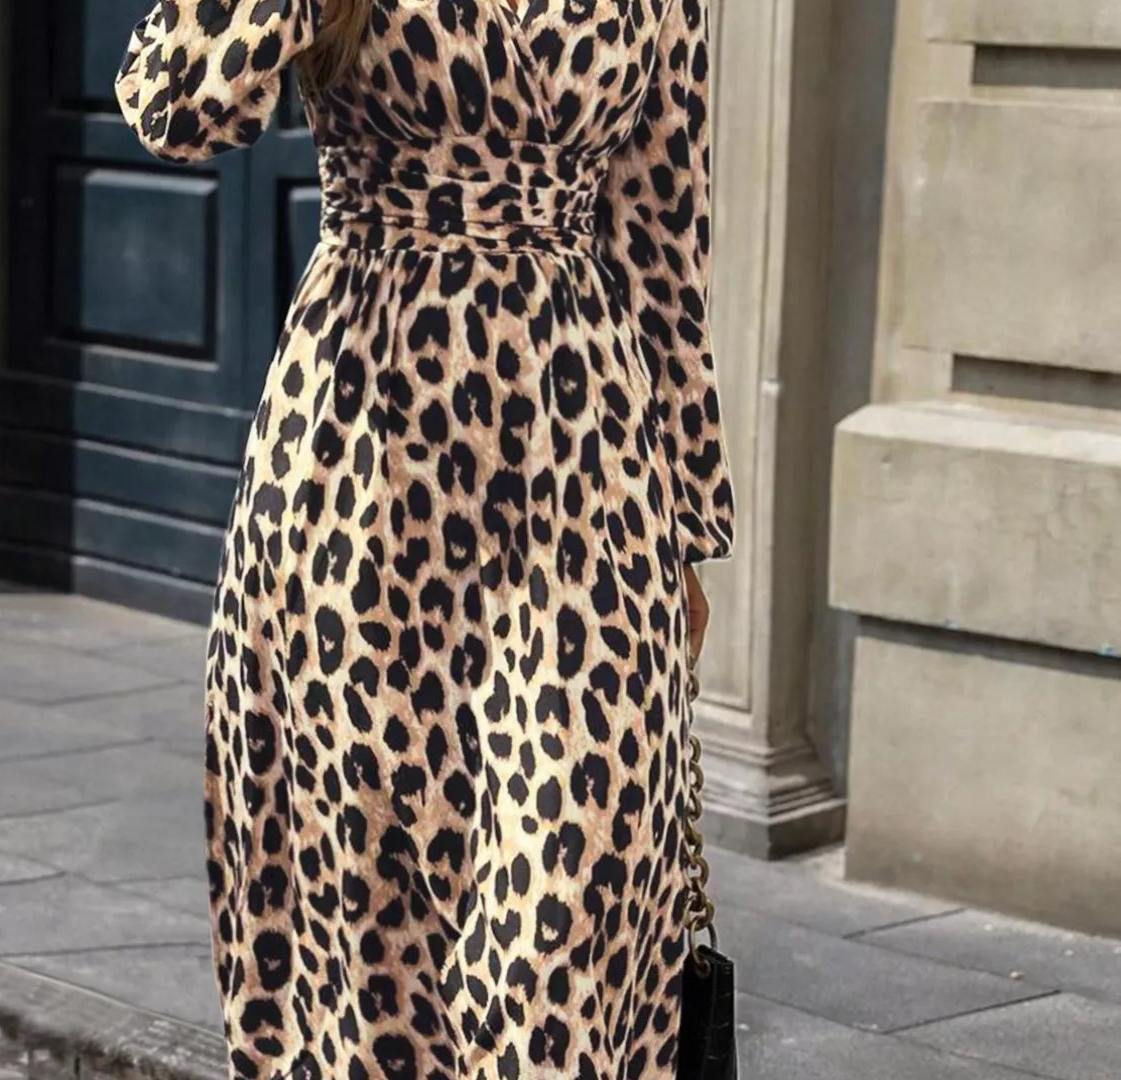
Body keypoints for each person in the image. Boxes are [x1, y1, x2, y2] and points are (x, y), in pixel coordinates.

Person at [116, 0, 734, 1076]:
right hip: (362, 466)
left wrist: (687, 522)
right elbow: (178, 109)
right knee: (370, 921)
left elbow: (662, 239)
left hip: (584, 467)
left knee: (570, 899)